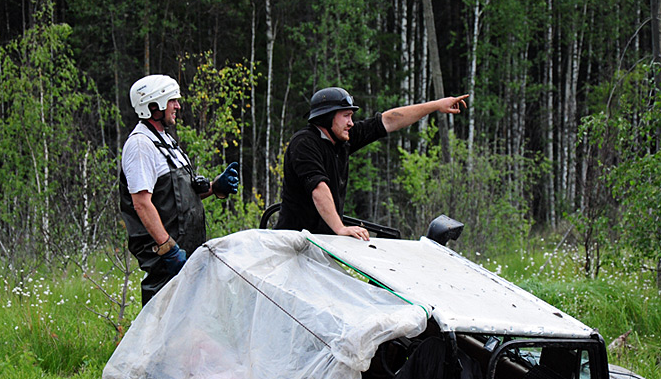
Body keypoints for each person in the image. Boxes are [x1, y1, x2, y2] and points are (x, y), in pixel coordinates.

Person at [275, 87, 468, 239]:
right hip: (293, 242)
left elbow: (389, 121)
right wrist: (340, 228)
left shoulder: (343, 140)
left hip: (323, 242)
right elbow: (318, 189)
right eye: (346, 116)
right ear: (326, 117)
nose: (351, 123)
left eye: (352, 116)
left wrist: (436, 105)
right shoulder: (304, 143)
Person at [119, 74, 240, 305]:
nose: (178, 106)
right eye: (172, 100)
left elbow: (175, 197)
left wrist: (214, 188)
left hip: (187, 250)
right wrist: (168, 249)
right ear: (154, 106)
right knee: (164, 323)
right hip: (166, 258)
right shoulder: (140, 145)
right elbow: (141, 203)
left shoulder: (165, 141)